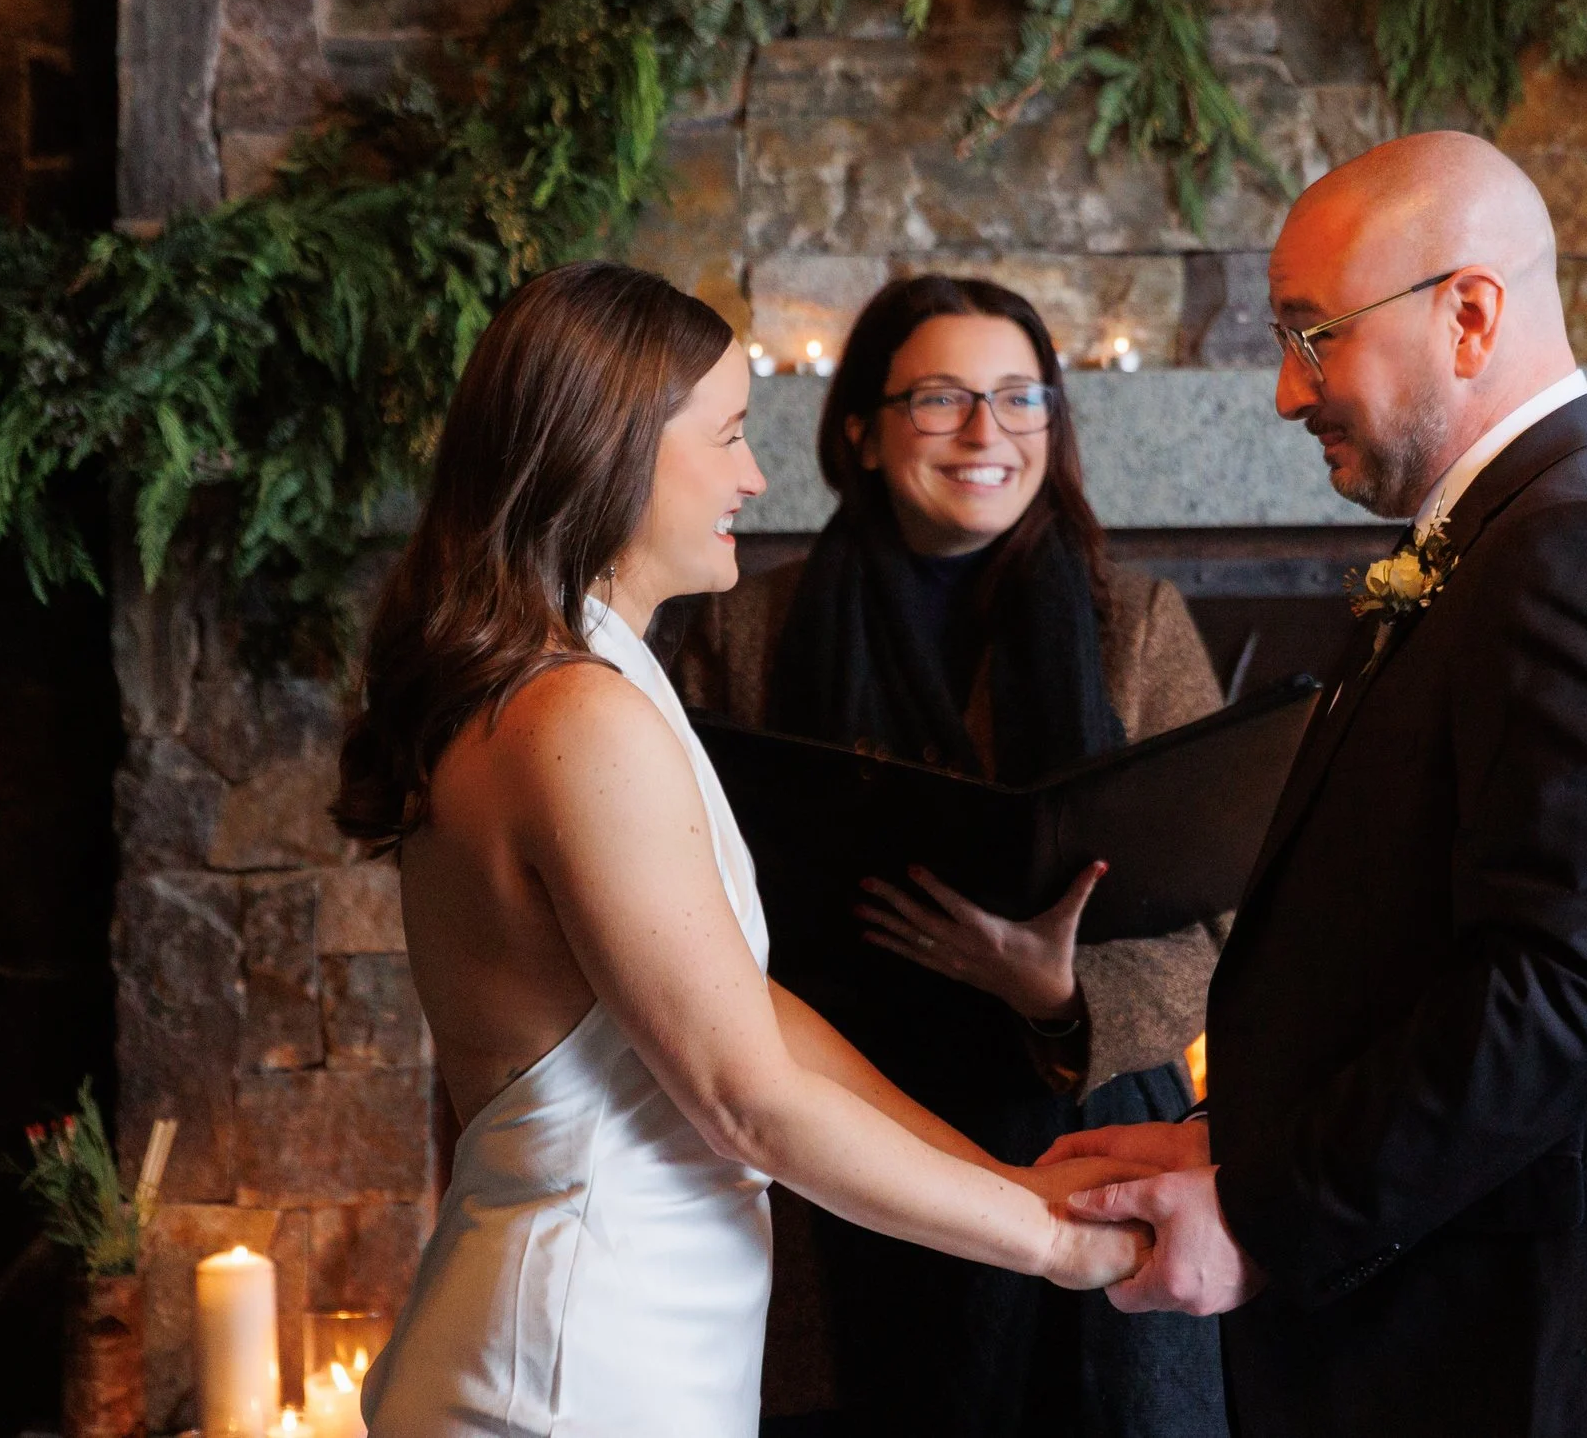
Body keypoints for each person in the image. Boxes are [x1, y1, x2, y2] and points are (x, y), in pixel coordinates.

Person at [329, 262, 1152, 1438]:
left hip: (631, 1337)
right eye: (726, 434)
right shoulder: (576, 716)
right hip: (579, 1359)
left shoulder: (597, 675)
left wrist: (1008, 1179)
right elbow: (745, 1100)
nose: (756, 475)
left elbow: (752, 1019)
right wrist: (1052, 1242)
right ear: (610, 451)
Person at [1045, 133, 1587, 1438]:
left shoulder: (1576, 557)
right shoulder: (1518, 540)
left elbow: (1576, 989)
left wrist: (1270, 1212)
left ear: (1472, 313)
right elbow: (1417, 953)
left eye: (1311, 335)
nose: (1283, 389)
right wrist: (1235, 1136)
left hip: (1527, 1360)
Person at [674, 274, 1232, 1438]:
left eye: (1020, 397)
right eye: (940, 398)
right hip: (838, 1141)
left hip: (1083, 1126)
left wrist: (1055, 990)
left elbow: (1222, 920)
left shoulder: (1134, 623)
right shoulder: (743, 625)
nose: (987, 432)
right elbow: (688, 894)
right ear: (860, 433)